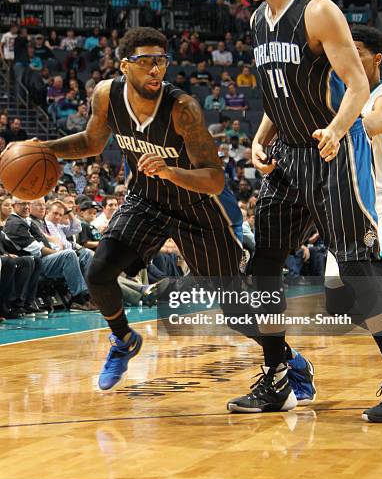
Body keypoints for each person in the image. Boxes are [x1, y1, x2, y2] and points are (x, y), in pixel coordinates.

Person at [226, 0, 382, 422]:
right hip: (288, 156)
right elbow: (277, 90)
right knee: (261, 265)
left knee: (355, 270)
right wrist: (260, 137)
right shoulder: (259, 19)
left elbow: (353, 85)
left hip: (331, 154)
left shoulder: (319, 11)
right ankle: (279, 376)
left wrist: (336, 128)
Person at [25, 26, 242, 391]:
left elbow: (215, 179)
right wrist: (47, 149)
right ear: (125, 65)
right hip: (146, 201)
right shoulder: (107, 95)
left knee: (237, 310)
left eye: (161, 61)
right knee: (98, 274)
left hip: (195, 207)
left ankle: (286, 360)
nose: (156, 69)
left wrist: (172, 171)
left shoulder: (183, 108)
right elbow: (92, 142)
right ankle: (124, 340)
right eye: (146, 62)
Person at [326, 25, 382, 360]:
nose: (348, 56)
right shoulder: (341, 99)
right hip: (352, 212)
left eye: (356, 50)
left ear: (376, 59)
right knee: (339, 304)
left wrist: (336, 121)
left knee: (378, 288)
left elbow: (372, 125)